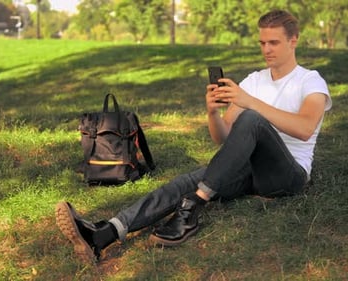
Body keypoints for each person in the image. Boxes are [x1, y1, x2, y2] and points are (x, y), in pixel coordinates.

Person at [55, 9, 332, 264]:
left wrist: (250, 103)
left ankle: (192, 207)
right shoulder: (254, 81)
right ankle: (104, 234)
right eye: (262, 43)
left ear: (293, 41)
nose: (266, 50)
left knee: (251, 119)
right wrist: (212, 112)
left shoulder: (310, 81)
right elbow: (223, 139)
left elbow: (305, 128)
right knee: (184, 181)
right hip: (250, 170)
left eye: (274, 43)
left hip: (288, 175)